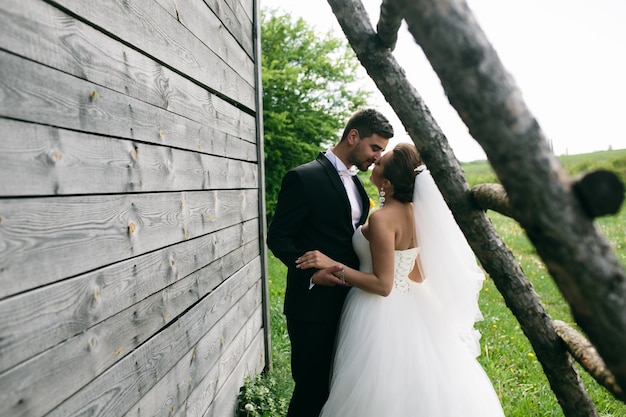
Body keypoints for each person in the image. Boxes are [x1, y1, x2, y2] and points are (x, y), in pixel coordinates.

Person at [296, 143, 505, 416]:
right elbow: (417, 274)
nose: (376, 161)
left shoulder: (383, 219)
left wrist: (333, 265)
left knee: (377, 390)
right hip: (414, 303)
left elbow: (383, 285)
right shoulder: (416, 214)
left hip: (376, 311)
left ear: (388, 183)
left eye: (381, 163)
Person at [266, 109, 395, 417]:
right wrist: (312, 274)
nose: (378, 157)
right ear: (353, 137)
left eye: (382, 151)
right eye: (375, 148)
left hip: (352, 306)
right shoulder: (303, 177)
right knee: (310, 390)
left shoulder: (359, 187)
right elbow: (279, 238)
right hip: (311, 307)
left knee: (337, 390)